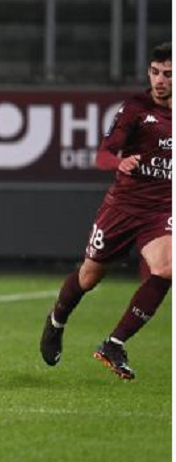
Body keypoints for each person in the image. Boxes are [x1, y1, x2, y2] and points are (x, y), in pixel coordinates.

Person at [40, 42, 172, 380]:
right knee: (89, 277)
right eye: (156, 72)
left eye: (168, 75)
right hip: (122, 207)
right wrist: (119, 160)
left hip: (161, 211)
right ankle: (56, 320)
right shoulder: (135, 109)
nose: (160, 80)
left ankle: (114, 343)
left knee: (167, 267)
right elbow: (102, 155)